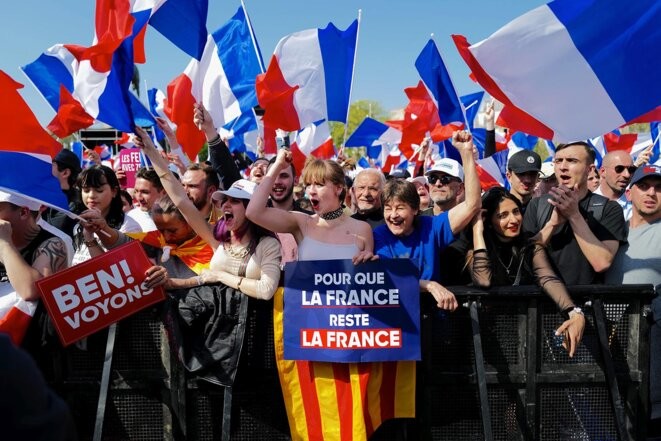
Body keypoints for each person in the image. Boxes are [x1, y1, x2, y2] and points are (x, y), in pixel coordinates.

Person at [134, 126, 282, 300]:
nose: (226, 205)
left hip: (252, 325)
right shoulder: (217, 238)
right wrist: (151, 151)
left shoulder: (268, 245)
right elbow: (180, 199)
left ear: (251, 209)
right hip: (217, 324)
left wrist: (220, 276)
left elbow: (266, 290)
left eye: (235, 201)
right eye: (225, 200)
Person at [468, 187, 585, 356]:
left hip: (522, 333)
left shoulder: (529, 245)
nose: (513, 219)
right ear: (489, 221)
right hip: (487, 335)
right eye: (502, 215)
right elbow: (484, 280)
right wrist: (477, 231)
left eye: (516, 211)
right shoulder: (478, 248)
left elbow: (547, 278)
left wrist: (573, 312)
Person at [374, 131, 481, 310]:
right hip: (397, 322)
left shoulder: (431, 226)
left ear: (416, 209)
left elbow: (472, 204)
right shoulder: (379, 234)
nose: (393, 215)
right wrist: (429, 285)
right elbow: (389, 275)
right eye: (388, 208)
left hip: (433, 322)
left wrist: (466, 153)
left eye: (400, 208)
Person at [605, 165, 661, 434]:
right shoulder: (613, 231)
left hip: (649, 340)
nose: (652, 193)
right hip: (607, 336)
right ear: (630, 193)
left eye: (660, 188)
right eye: (644, 186)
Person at [523, 141, 626, 285]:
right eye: (558, 161)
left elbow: (602, 263)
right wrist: (552, 224)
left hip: (588, 303)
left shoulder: (609, 209)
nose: (563, 167)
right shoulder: (537, 205)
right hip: (543, 301)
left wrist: (574, 215)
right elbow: (525, 259)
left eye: (572, 161)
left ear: (590, 170)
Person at [72, 165, 141, 266]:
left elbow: (113, 271)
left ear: (114, 191)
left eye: (99, 190)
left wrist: (91, 238)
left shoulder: (128, 226)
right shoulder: (78, 226)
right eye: (86, 190)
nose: (91, 196)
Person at [44, 148, 83, 239]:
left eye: (50, 165)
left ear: (65, 173)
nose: (43, 168)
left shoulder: (78, 207)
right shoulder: (39, 200)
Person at [594, 150, 636, 220]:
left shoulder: (637, 206)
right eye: (619, 169)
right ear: (603, 172)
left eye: (631, 169)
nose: (627, 175)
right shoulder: (584, 204)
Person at [126, 167, 166, 232]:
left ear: (163, 192)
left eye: (145, 192)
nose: (139, 198)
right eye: (136, 191)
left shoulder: (180, 217)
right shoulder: (129, 218)